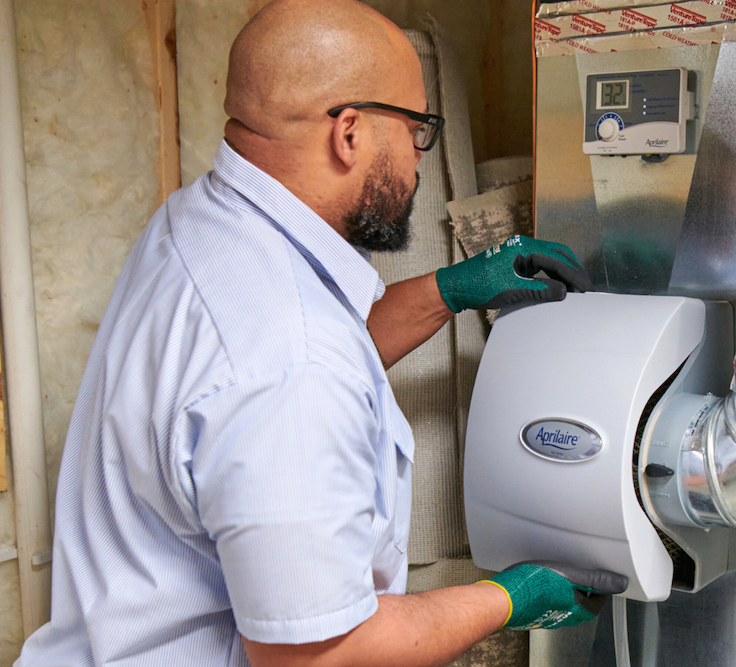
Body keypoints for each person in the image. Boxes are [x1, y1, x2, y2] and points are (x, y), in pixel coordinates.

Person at [15, 1, 616, 666]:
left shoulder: (197, 223)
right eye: (416, 131)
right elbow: (318, 654)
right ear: (350, 133)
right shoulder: (288, 357)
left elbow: (305, 354)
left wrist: (453, 288)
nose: (418, 164)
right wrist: (513, 596)